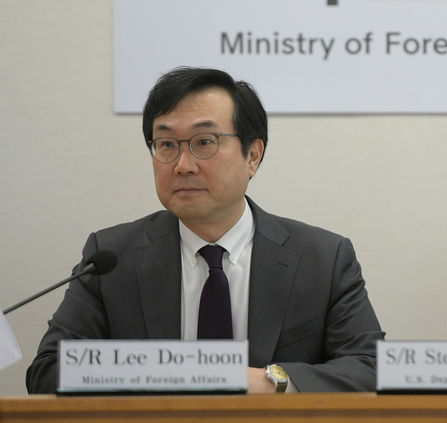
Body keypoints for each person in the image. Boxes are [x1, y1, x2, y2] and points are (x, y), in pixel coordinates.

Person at [27, 67, 384, 394]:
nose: (183, 165)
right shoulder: (111, 257)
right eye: (166, 144)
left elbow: (372, 369)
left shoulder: (322, 258)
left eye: (204, 142)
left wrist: (269, 380)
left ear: (253, 156)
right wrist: (172, 374)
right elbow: (48, 372)